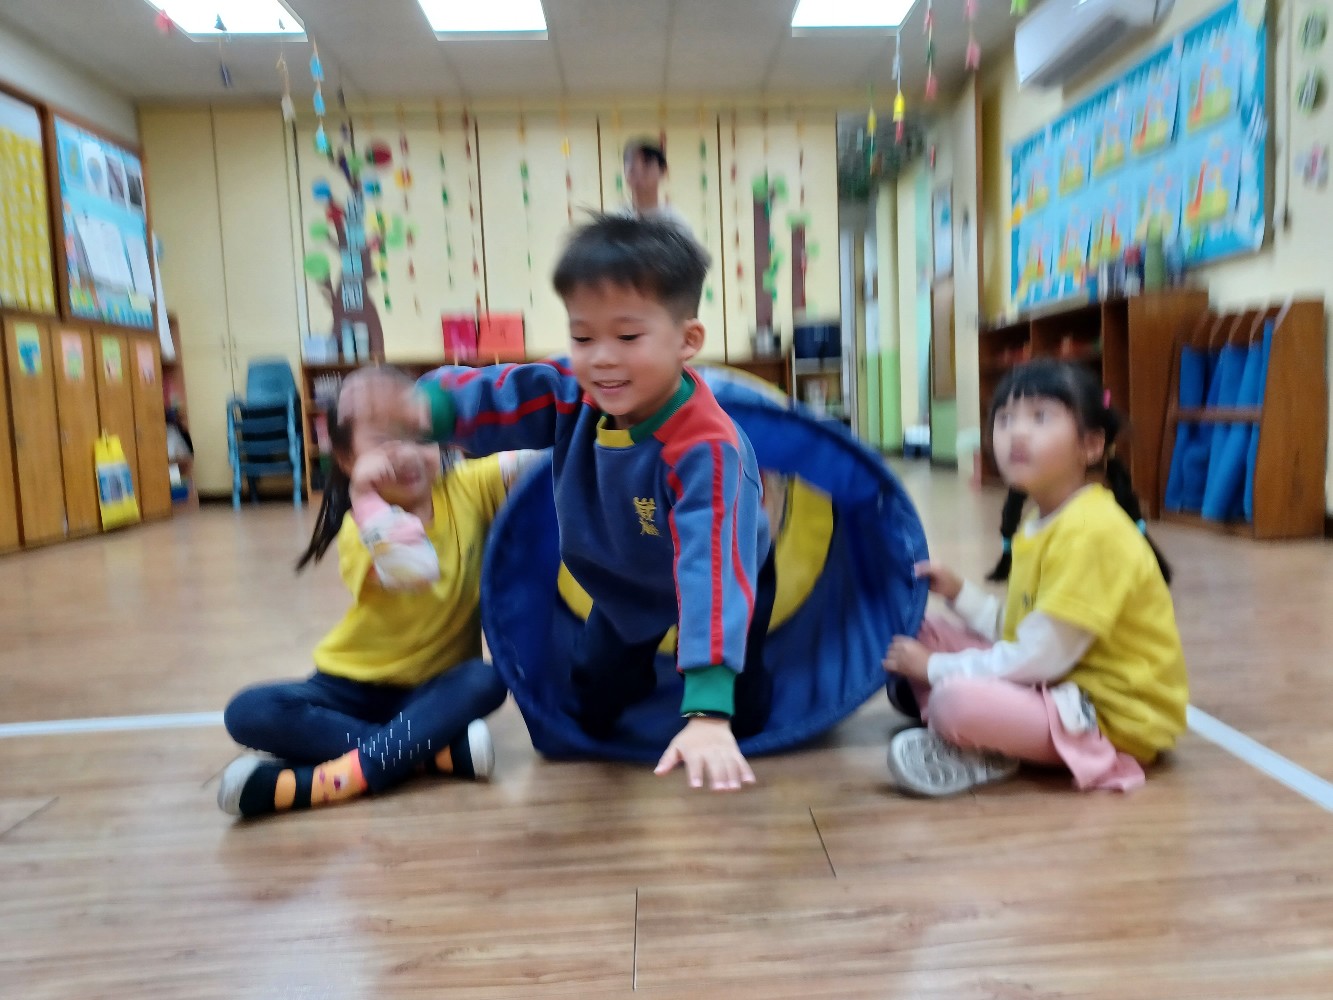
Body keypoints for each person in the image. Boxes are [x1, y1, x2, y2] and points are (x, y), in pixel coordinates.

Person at [338, 215, 773, 793]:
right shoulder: (575, 392)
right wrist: (432, 407)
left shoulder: (706, 451)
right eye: (583, 337)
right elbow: (504, 394)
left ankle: (728, 699)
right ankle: (640, 680)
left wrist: (709, 715)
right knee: (593, 703)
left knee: (743, 708)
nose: (602, 358)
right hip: (624, 587)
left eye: (628, 337)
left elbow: (712, 575)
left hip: (729, 570)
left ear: (686, 341)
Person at [217, 368, 531, 818]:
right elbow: (413, 568)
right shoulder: (359, 527)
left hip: (431, 691)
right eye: (384, 441)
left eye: (419, 436)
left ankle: (326, 779)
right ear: (347, 458)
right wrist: (363, 493)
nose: (406, 452)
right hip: (353, 687)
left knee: (487, 679)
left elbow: (540, 461)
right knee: (248, 712)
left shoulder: (467, 485)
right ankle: (422, 754)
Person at [883, 359, 1188, 797]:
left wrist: (933, 669)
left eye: (1040, 417)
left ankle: (972, 737)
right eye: (1005, 420)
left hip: (1109, 719)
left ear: (1091, 446)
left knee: (954, 700)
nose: (1017, 433)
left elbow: (1040, 656)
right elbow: (1022, 628)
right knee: (920, 629)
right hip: (1056, 681)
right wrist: (959, 594)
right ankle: (974, 730)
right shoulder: (1041, 522)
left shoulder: (1092, 531)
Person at [619, 136, 691, 232]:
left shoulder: (676, 224)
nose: (638, 169)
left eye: (646, 162)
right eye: (632, 162)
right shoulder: (615, 221)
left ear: (663, 171)